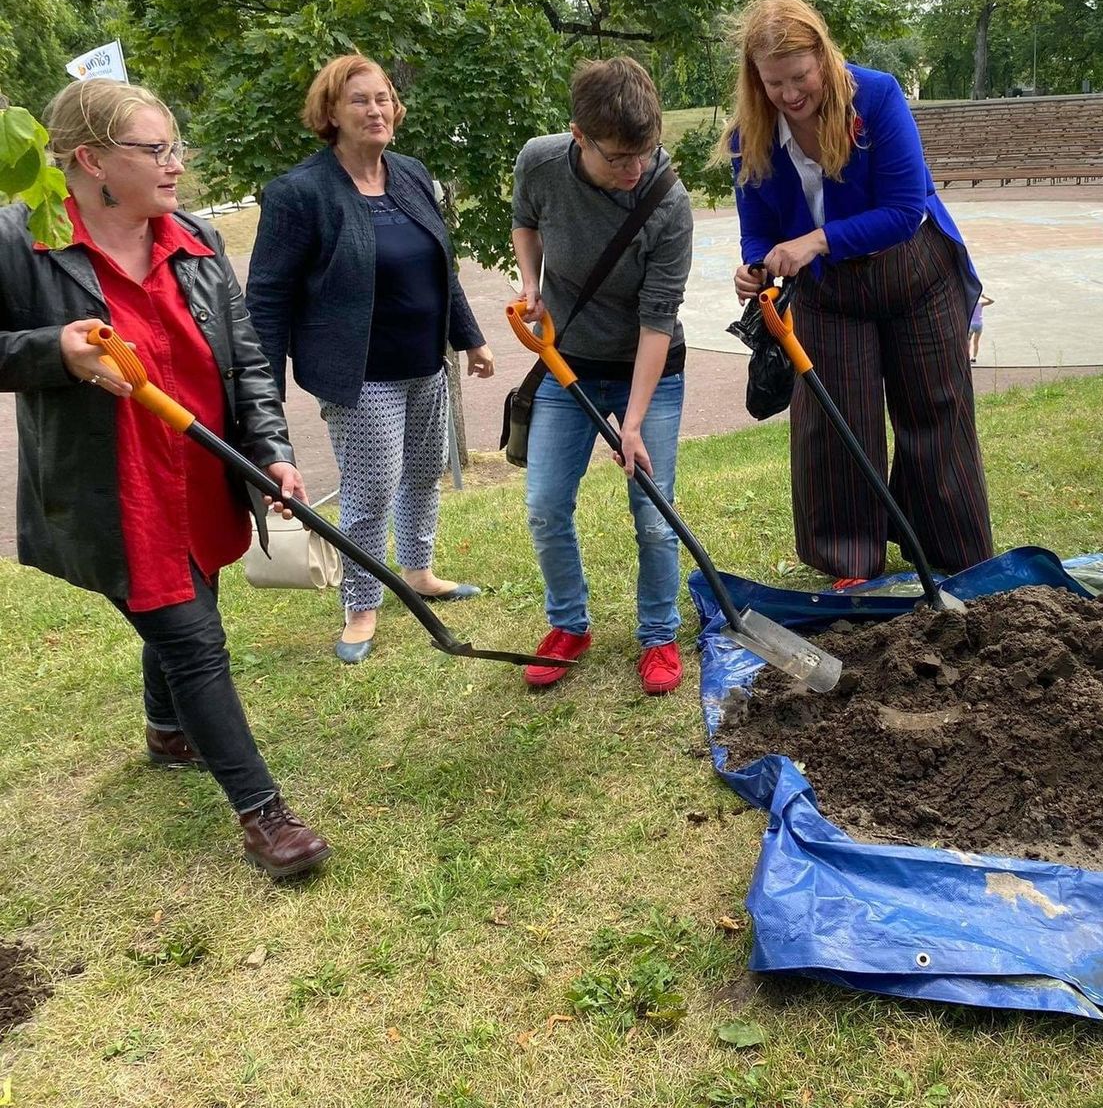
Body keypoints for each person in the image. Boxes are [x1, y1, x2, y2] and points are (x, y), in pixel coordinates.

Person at [0, 79, 331, 878]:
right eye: (155, 150)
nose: (176, 165)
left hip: (204, 469)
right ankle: (264, 817)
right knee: (192, 639)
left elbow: (245, 357)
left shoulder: (192, 239)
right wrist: (58, 352)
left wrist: (274, 448)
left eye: (175, 146)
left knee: (193, 601)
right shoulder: (20, 243)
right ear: (90, 160)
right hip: (117, 487)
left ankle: (165, 730)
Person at [719, 0, 994, 583]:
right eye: (773, 84)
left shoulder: (878, 94)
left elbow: (902, 209)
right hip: (827, 292)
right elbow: (758, 228)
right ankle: (851, 564)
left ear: (822, 56)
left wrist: (815, 241)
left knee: (936, 412)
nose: (790, 95)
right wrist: (756, 266)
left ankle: (953, 559)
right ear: (755, 79)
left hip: (914, 270)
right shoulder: (750, 135)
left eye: (800, 77)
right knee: (836, 424)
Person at [246, 54, 494, 665]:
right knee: (371, 488)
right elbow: (268, 297)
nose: (376, 109)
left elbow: (441, 264)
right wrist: (262, 393)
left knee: (420, 472)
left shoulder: (410, 174)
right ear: (331, 112)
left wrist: (470, 336)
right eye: (360, 99)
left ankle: (418, 571)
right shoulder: (300, 194)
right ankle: (361, 606)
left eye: (383, 98)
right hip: (359, 377)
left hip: (425, 363)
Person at [510, 57, 694, 694]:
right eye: (619, 157)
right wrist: (531, 286)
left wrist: (634, 424)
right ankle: (569, 624)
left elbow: (655, 323)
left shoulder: (668, 203)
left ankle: (659, 634)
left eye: (644, 152)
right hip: (570, 368)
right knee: (544, 504)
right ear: (578, 137)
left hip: (651, 369)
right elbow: (526, 221)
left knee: (653, 510)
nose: (634, 169)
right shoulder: (539, 161)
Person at [968, 293, 995, 365]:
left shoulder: (969, 305)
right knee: (976, 342)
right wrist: (985, 297)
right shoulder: (980, 304)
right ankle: (974, 358)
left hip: (971, 325)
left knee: (968, 341)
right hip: (979, 325)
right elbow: (992, 301)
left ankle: (967, 357)